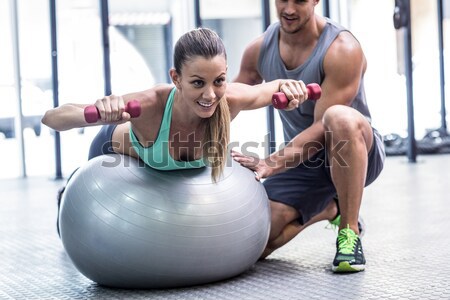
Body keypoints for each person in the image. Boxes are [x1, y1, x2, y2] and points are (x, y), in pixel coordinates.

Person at [41, 28, 307, 234]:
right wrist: (102, 109)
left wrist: (293, 88)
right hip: (110, 153)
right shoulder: (150, 104)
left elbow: (275, 86)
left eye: (219, 81)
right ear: (176, 78)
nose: (210, 94)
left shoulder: (232, 100)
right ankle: (67, 192)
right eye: (197, 83)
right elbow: (51, 118)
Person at [232, 0, 385, 273]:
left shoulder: (342, 49)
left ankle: (349, 231)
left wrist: (271, 162)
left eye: (300, 0)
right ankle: (331, 208)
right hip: (305, 162)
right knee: (256, 242)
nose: (289, 9)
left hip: (353, 152)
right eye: (283, 0)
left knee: (339, 117)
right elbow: (231, 101)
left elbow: (322, 130)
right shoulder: (258, 49)